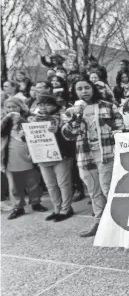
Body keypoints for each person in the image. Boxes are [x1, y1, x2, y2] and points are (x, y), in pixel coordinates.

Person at [62, 75, 124, 237]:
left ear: (93, 89)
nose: (84, 91)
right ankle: (99, 223)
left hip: (107, 154)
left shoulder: (108, 106)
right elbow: (68, 135)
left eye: (87, 87)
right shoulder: (70, 111)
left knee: (108, 189)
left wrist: (116, 132)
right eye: (80, 89)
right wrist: (76, 115)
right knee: (93, 191)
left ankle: (118, 225)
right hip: (85, 156)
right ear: (75, 92)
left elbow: (120, 127)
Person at [28, 94, 76, 222]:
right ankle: (57, 209)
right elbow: (30, 137)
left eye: (47, 104)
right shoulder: (33, 119)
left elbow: (71, 136)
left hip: (62, 155)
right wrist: (25, 134)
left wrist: (58, 131)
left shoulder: (63, 117)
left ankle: (66, 209)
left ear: (55, 105)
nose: (43, 107)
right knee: (50, 185)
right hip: (43, 156)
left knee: (63, 184)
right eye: (40, 104)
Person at [1, 97, 49, 219]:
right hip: (11, 156)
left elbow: (36, 131)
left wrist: (21, 120)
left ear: (21, 107)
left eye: (14, 107)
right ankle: (18, 206)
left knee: (33, 181)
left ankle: (36, 203)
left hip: (29, 154)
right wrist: (6, 119)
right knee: (14, 185)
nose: (11, 109)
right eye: (9, 107)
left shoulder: (30, 117)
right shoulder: (4, 120)